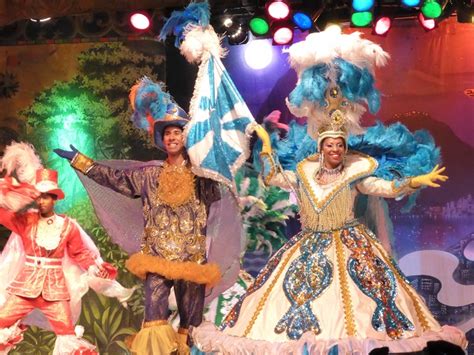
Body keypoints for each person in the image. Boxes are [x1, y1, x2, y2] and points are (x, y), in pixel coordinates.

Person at [191, 27, 467, 354]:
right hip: (308, 247)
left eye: (339, 144)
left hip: (352, 246)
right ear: (321, 148)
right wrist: (264, 148)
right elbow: (274, 178)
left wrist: (412, 183)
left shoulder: (355, 168)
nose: (335, 149)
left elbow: (379, 186)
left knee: (360, 310)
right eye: (330, 144)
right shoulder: (304, 170)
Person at [54, 78, 221, 355]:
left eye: (177, 132)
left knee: (191, 328)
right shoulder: (149, 174)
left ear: (185, 136)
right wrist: (80, 161)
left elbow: (217, 189)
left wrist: (208, 156)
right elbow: (114, 178)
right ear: (161, 140)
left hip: (191, 260)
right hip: (156, 257)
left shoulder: (201, 175)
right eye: (166, 133)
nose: (171, 137)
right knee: (153, 323)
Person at [0, 163, 129, 355]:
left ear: (54, 199)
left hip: (54, 290)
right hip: (26, 286)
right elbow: (3, 215)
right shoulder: (25, 220)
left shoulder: (67, 226)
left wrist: (94, 267)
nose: (41, 201)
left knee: (67, 333)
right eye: (39, 196)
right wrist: (7, 191)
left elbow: (80, 253)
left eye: (46, 196)